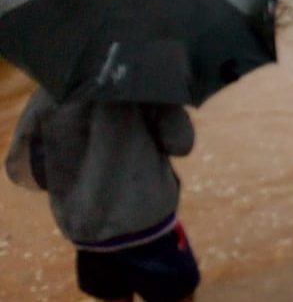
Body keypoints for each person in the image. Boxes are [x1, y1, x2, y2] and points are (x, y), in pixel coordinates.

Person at [5, 88, 200, 302]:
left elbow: (32, 170)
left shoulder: (45, 97)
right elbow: (181, 142)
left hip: (91, 238)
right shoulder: (143, 84)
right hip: (151, 231)